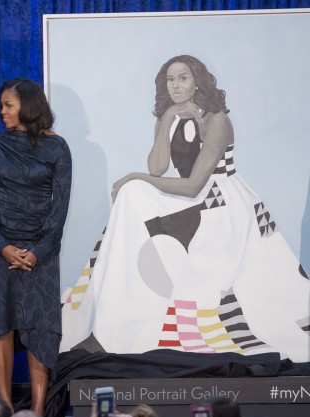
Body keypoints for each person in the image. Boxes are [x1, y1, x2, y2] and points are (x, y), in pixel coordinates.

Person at [61, 55, 310, 362]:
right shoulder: (170, 116)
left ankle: (135, 323)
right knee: (132, 194)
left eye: (183, 78)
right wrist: (167, 119)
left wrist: (134, 176)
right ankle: (112, 320)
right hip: (190, 199)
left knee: (134, 187)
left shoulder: (217, 119)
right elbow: (157, 167)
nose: (176, 85)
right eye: (170, 79)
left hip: (221, 202)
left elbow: (194, 185)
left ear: (198, 83)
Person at [0, 77, 72, 416]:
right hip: (0, 249)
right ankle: (5, 412)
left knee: (41, 328)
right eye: (1, 106)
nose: (2, 112)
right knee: (1, 324)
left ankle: (38, 413)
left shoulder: (58, 148)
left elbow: (60, 207)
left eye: (7, 105)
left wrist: (38, 251)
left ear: (27, 106)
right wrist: (2, 247)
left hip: (40, 253)